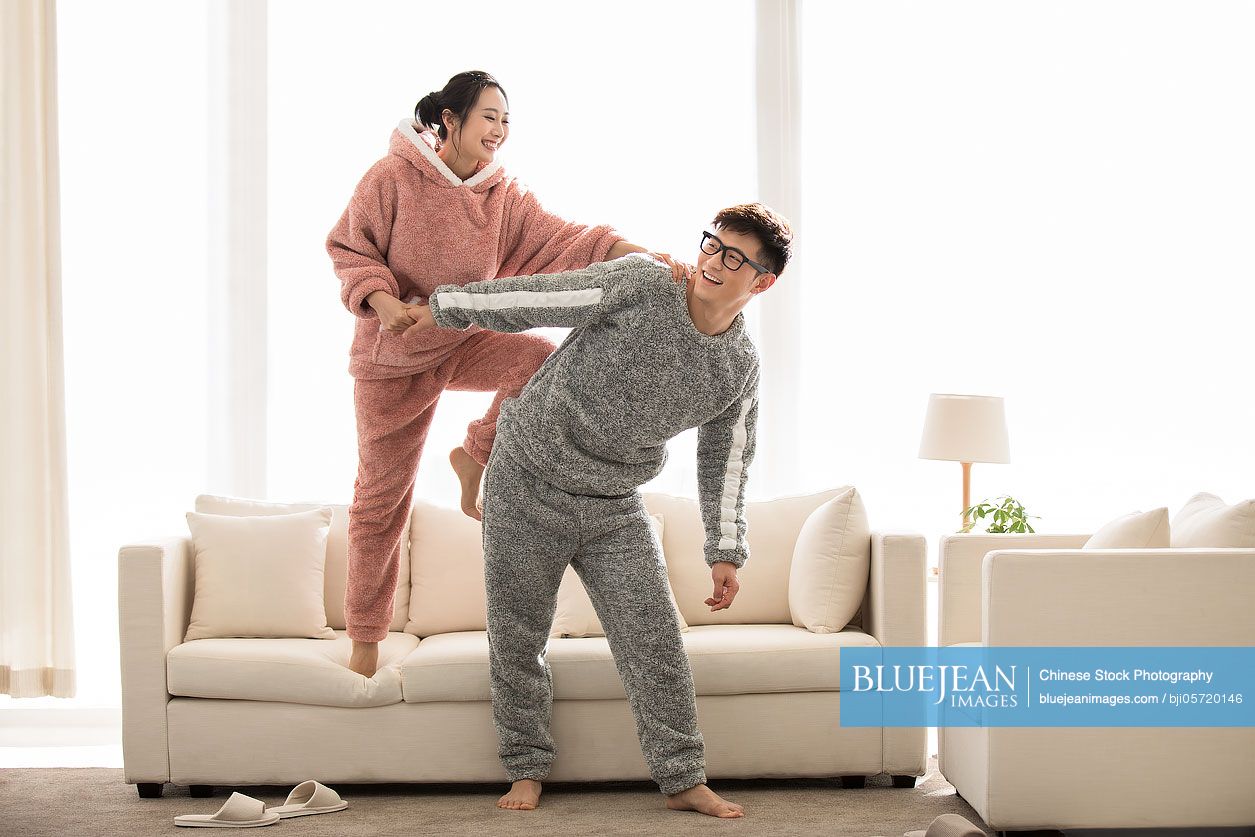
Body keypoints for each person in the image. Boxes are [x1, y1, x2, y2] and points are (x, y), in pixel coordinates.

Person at [406, 203, 793, 818]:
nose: (715, 262)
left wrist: (725, 551)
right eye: (712, 245)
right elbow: (544, 298)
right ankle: (527, 769)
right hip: (527, 478)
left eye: (736, 258)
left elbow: (728, 462)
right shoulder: (641, 282)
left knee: (654, 638)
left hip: (613, 504)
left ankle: (683, 778)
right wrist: (446, 306)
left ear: (762, 282)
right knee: (517, 635)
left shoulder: (737, 370)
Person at [326, 71, 682, 677]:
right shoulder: (390, 178)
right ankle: (365, 642)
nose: (500, 130)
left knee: (536, 359)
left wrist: (643, 255)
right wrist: (383, 304)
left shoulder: (502, 196)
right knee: (382, 499)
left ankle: (474, 453)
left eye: (506, 120)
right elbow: (349, 247)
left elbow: (566, 238)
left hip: (459, 339)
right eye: (489, 117)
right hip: (393, 356)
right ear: (449, 120)